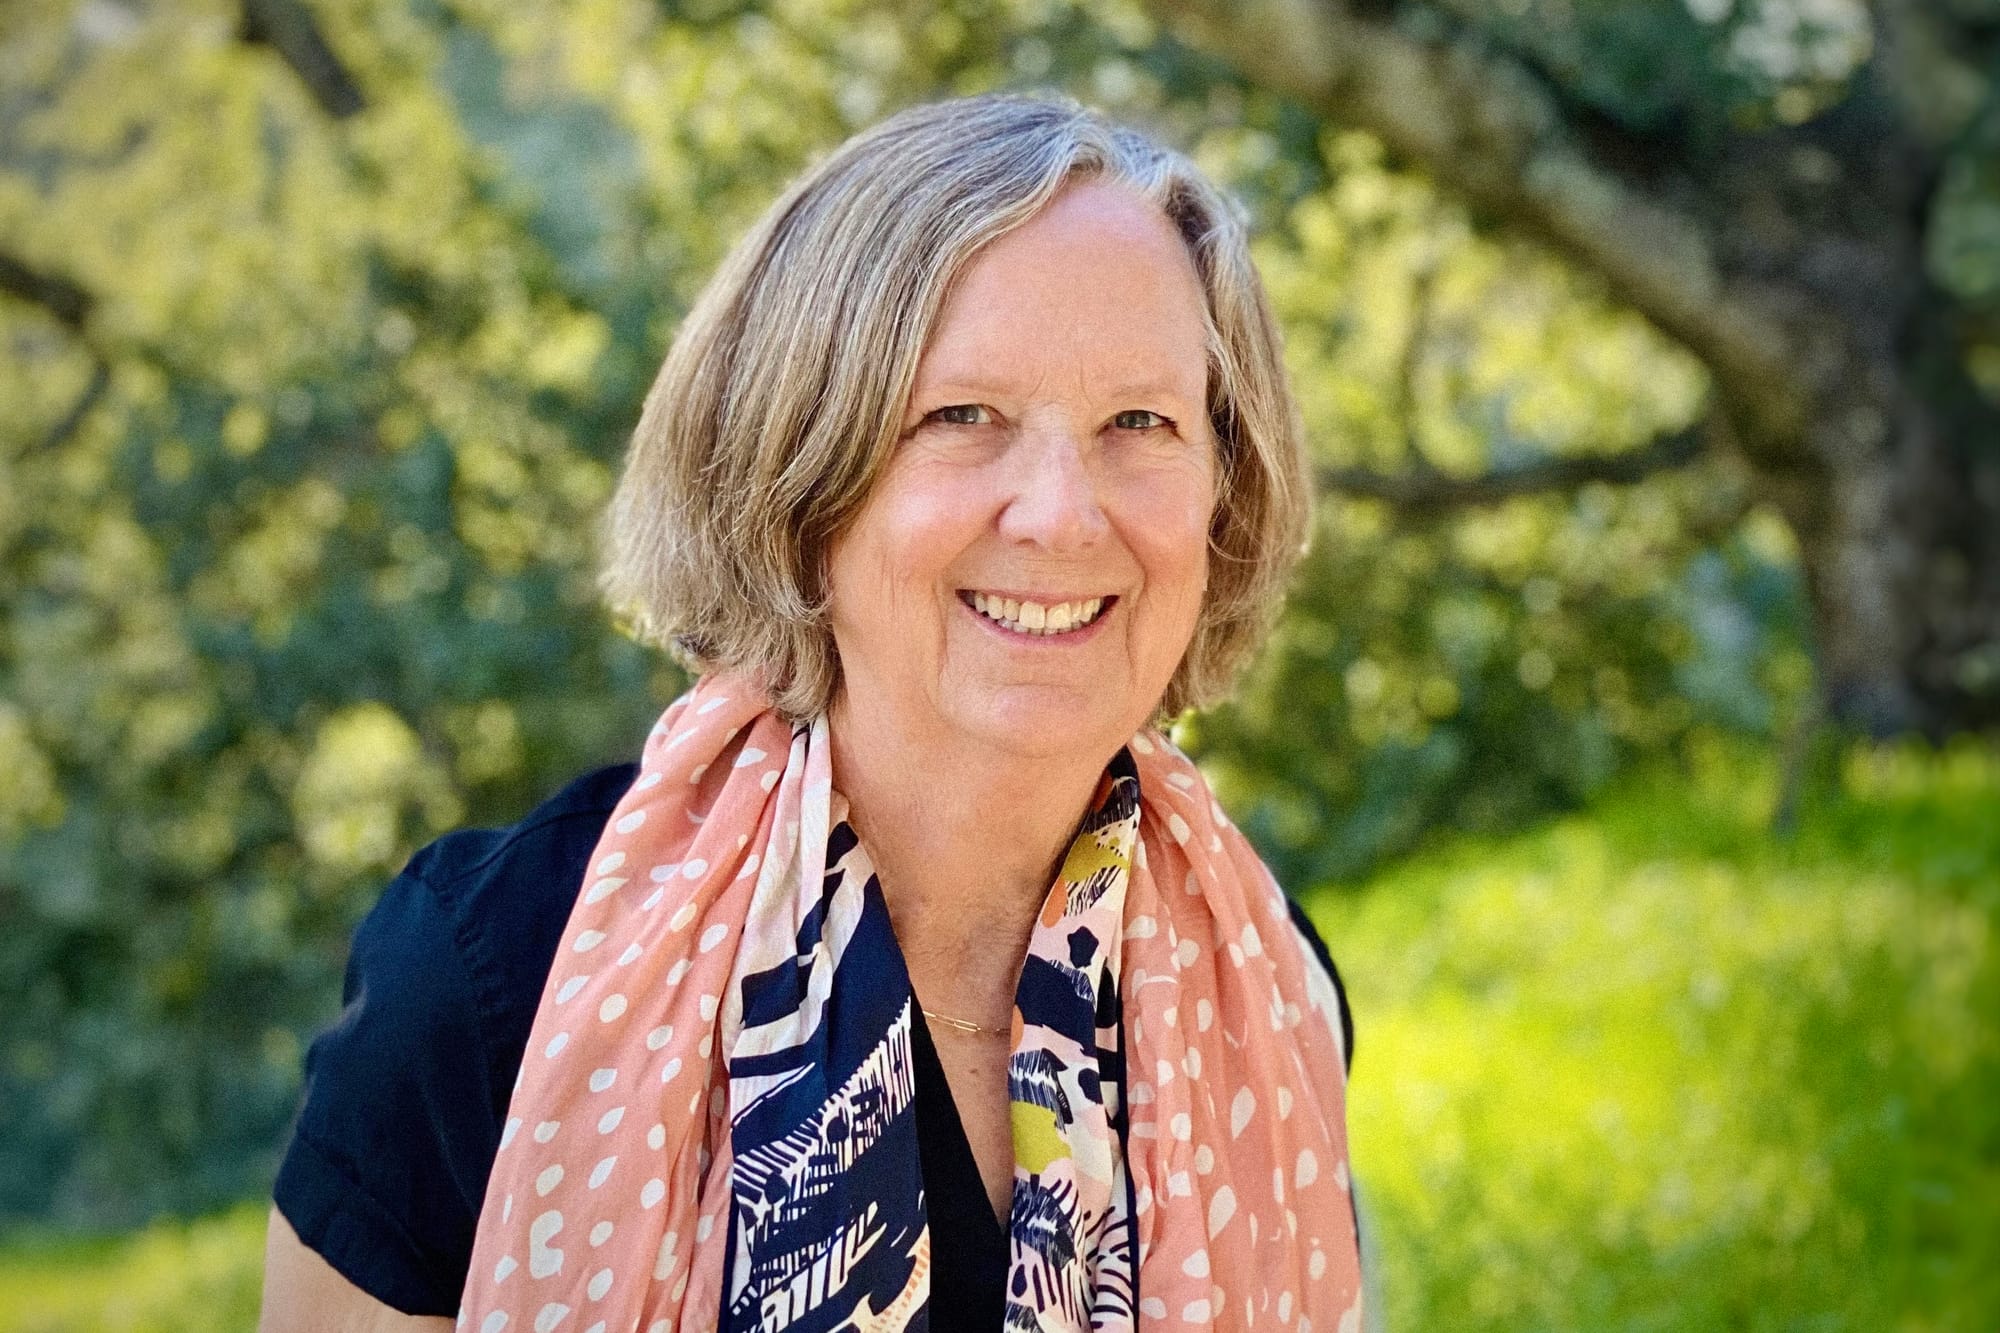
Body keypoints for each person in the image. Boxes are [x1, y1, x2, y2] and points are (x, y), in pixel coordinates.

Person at [259, 92, 1362, 1332]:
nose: (1060, 513)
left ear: (1222, 494)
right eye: (961, 417)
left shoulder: (1265, 984)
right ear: (800, 476)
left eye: (1138, 422)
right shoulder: (492, 977)